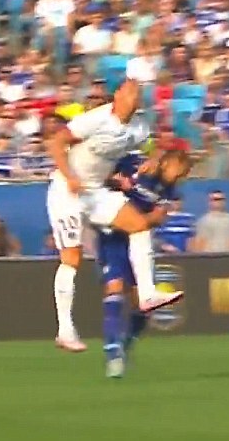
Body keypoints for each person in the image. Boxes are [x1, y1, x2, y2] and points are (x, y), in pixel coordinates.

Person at [45, 79, 183, 352]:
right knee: (71, 258)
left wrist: (153, 159)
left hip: (96, 192)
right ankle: (65, 330)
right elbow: (57, 141)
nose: (135, 96)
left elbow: (150, 145)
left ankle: (146, 294)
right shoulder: (96, 119)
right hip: (67, 190)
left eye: (138, 93)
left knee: (139, 225)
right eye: (130, 91)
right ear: (118, 96)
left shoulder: (139, 126)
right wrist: (69, 177)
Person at [96, 149, 192, 378]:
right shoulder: (134, 164)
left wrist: (134, 213)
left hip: (137, 238)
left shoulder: (169, 190)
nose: (180, 177)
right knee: (114, 289)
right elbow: (105, 180)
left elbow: (157, 218)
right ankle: (112, 355)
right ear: (168, 161)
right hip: (113, 237)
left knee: (143, 304)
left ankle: (126, 345)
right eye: (179, 171)